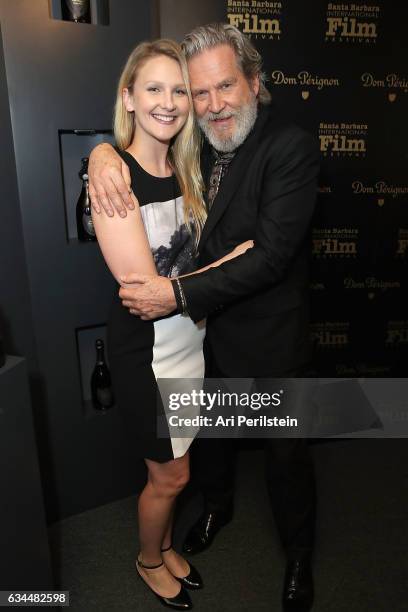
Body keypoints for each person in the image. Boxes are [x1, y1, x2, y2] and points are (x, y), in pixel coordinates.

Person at [89, 24, 319, 612]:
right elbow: (132, 179)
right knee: (203, 453)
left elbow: (268, 257)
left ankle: (299, 558)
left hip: (266, 339)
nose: (212, 104)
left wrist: (180, 294)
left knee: (285, 457)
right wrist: (99, 155)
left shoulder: (286, 146)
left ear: (255, 84)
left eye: (224, 87)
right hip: (197, 339)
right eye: (200, 92)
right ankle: (214, 513)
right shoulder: (197, 155)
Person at [92, 38, 252, 611]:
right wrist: (102, 155)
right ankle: (148, 559)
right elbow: (147, 293)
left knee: (177, 471)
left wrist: (100, 150)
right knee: (171, 478)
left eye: (179, 89)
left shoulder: (191, 169)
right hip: (148, 353)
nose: (169, 101)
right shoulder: (114, 179)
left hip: (192, 344)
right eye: (153, 88)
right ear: (128, 98)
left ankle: (159, 547)